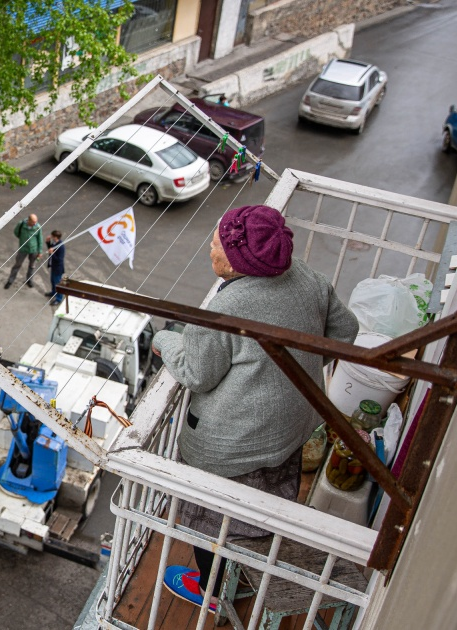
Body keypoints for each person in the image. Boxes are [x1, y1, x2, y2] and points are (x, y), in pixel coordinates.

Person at [151, 204, 358, 610]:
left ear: (235, 261)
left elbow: (196, 373)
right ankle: (247, 558)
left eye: (216, 243)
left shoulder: (225, 308)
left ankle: (211, 592)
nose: (209, 247)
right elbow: (344, 331)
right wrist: (290, 375)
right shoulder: (306, 278)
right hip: (289, 430)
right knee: (263, 508)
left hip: (231, 447)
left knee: (214, 523)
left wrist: (165, 340)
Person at [3, 214, 42, 290]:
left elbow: (40, 239)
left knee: (32, 265)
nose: (35, 223)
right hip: (23, 248)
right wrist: (22, 240)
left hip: (33, 249)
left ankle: (29, 280)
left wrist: (39, 251)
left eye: (36, 222)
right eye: (33, 222)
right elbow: (16, 232)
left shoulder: (38, 227)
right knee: (17, 264)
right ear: (29, 220)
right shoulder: (21, 224)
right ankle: (10, 280)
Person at [44, 230, 65, 305]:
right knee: (52, 281)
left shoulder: (61, 246)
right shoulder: (55, 243)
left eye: (52, 236)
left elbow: (59, 259)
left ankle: (59, 298)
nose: (51, 237)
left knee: (57, 283)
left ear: (55, 237)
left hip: (57, 268)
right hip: (53, 266)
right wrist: (48, 243)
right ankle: (53, 292)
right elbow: (51, 249)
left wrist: (52, 253)